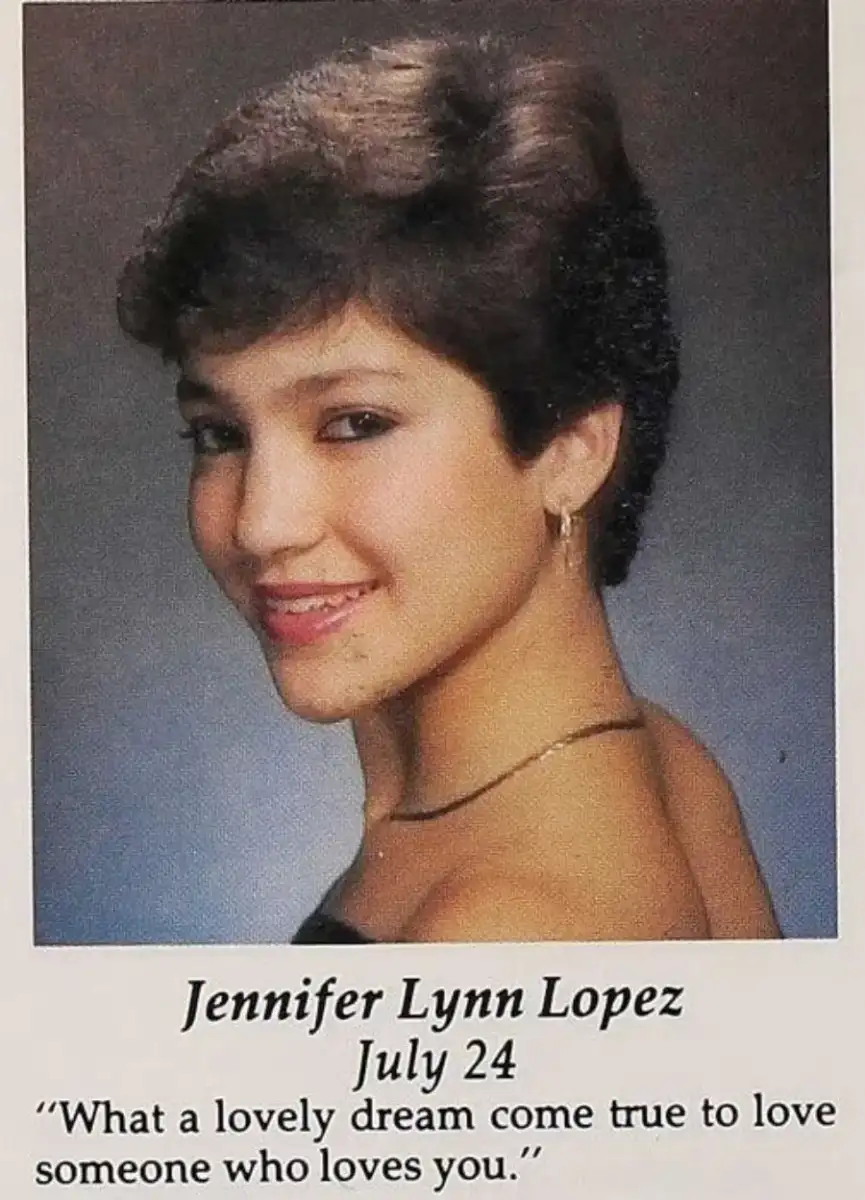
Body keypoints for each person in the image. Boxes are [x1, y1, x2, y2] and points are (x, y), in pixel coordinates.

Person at [117, 36, 779, 943]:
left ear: (570, 450)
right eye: (219, 435)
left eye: (355, 424)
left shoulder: (504, 930)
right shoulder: (665, 762)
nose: (262, 523)